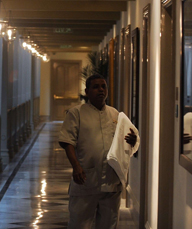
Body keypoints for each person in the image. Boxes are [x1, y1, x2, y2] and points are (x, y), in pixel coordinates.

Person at [59, 74, 137, 229]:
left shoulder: (115, 114)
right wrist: (76, 166)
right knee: (79, 224)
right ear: (87, 91)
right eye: (96, 87)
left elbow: (124, 142)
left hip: (111, 181)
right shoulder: (77, 113)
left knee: (109, 225)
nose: (101, 90)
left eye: (104, 86)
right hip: (85, 179)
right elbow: (67, 141)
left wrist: (132, 141)